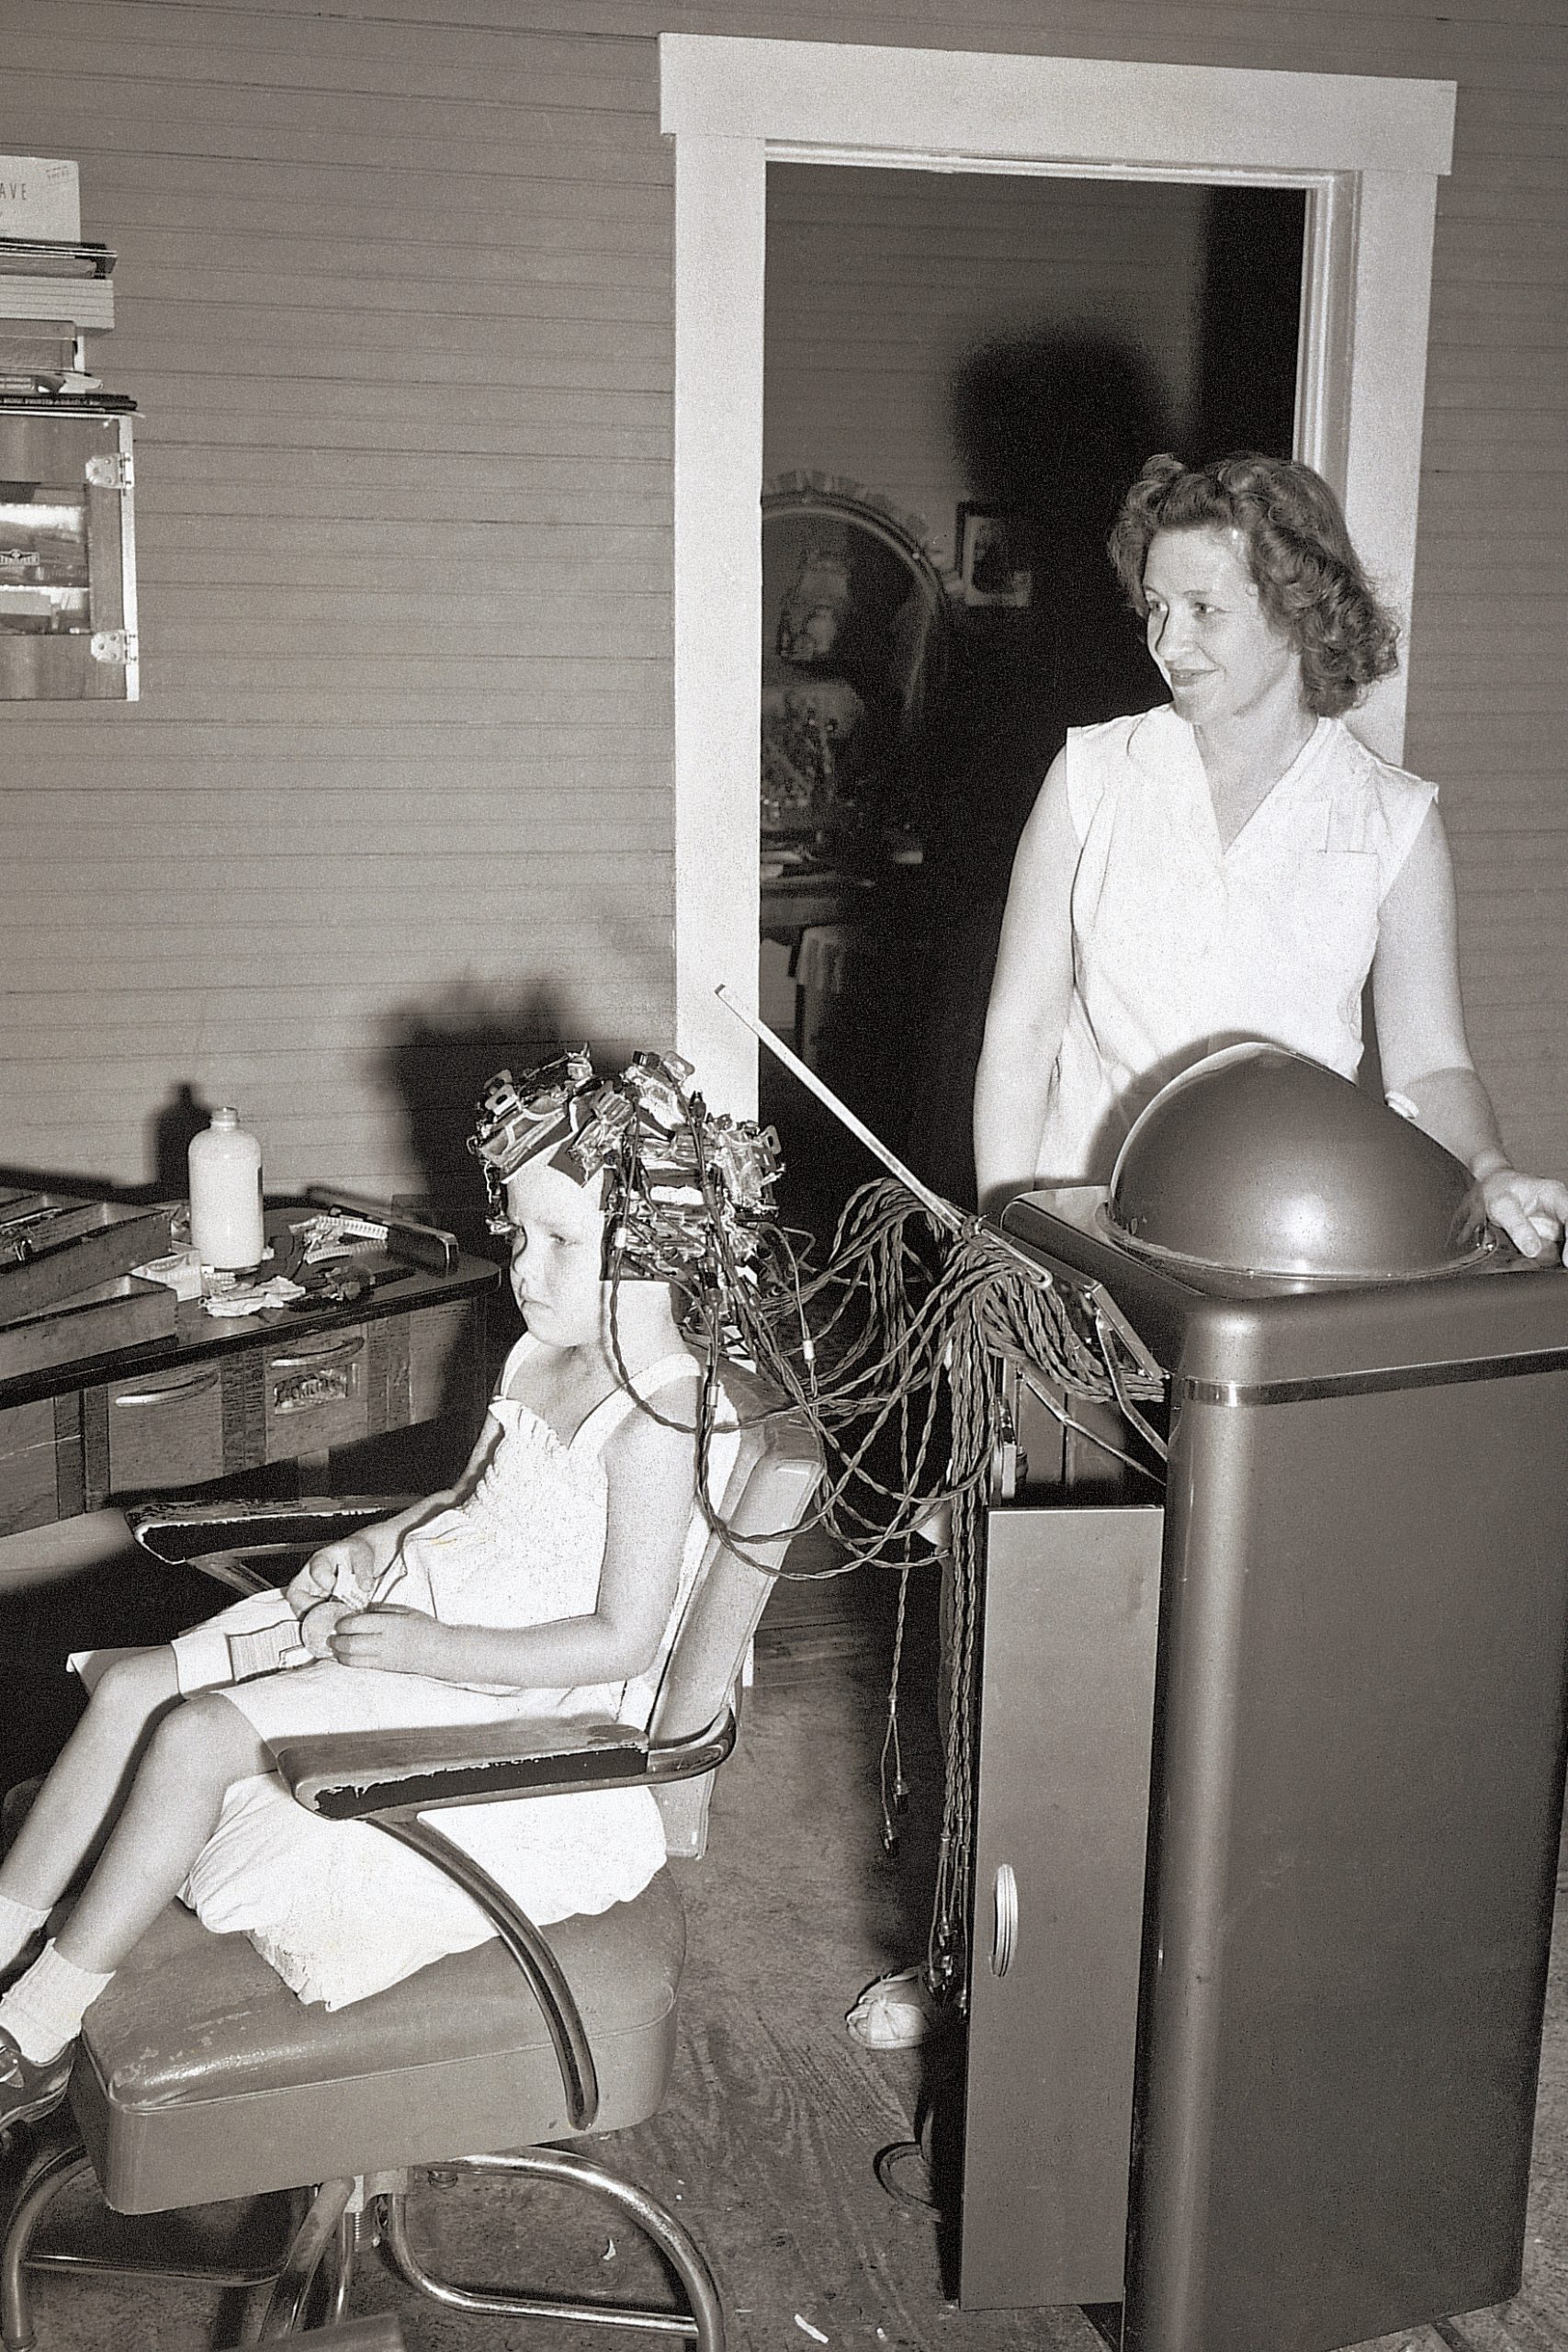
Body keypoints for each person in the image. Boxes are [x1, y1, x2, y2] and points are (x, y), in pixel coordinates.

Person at [0, 1048, 782, 2133]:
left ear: (660, 1250)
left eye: (563, 1241)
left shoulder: (656, 1416)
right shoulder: (538, 1354)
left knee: (193, 1737)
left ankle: (34, 2025)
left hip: (501, 1680)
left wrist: (428, 1649)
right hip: (417, 1603)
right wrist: (370, 1541)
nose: (525, 1267)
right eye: (518, 1232)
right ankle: (3, 1935)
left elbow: (618, 1639)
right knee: (135, 1687)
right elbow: (468, 1497)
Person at [972, 449, 1568, 1262]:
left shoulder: (1391, 817)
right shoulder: (1090, 775)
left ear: (1297, 611)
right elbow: (1021, 1031)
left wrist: (1489, 1169)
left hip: (1277, 1245)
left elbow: (1429, 1066)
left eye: (1202, 609)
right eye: (1154, 606)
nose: (1166, 642)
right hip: (1080, 1229)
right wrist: (1000, 1238)